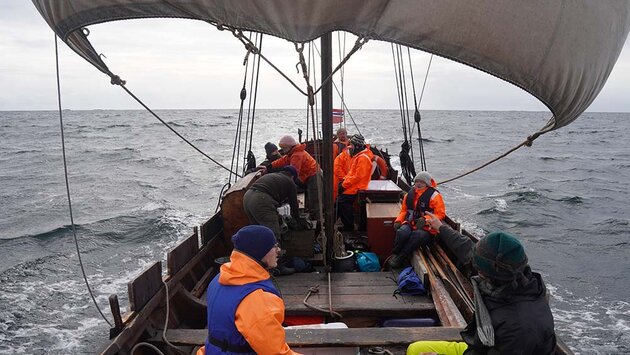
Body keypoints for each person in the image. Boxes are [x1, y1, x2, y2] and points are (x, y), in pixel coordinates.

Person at [406, 214, 557, 355]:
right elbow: (466, 249)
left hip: (491, 349)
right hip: (481, 345)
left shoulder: (517, 328)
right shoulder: (519, 281)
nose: (477, 272)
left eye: (480, 270)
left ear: (491, 274)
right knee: (415, 348)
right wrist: (441, 227)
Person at [202, 225, 301, 355]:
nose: (279, 250)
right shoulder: (258, 299)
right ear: (260, 251)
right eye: (274, 246)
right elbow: (275, 353)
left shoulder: (219, 278)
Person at [388, 171, 445, 268]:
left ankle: (401, 258)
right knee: (402, 232)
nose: (418, 184)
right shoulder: (409, 195)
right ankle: (395, 253)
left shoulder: (434, 196)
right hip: (411, 223)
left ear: (427, 183)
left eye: (421, 182)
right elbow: (404, 211)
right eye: (417, 181)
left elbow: (440, 214)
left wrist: (425, 219)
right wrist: (398, 221)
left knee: (416, 236)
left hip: (427, 228)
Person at [243, 166, 305, 241]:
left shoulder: (274, 176)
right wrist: (297, 219)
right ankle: (276, 251)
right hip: (261, 199)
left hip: (247, 197)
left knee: (258, 231)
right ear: (292, 176)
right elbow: (294, 204)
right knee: (273, 233)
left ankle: (259, 251)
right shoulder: (290, 182)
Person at [271, 135, 322, 220]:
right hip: (306, 175)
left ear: (290, 147)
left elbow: (293, 172)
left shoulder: (297, 155)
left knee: (314, 199)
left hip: (313, 175)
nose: (283, 151)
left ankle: (316, 220)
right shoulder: (292, 153)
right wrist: (271, 166)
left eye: (284, 148)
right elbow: (283, 160)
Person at [336, 134, 373, 231]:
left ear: (357, 146)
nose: (350, 148)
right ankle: (335, 223)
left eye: (351, 146)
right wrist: (344, 181)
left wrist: (343, 185)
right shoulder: (358, 157)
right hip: (354, 185)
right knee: (339, 201)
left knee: (342, 202)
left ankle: (349, 227)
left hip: (358, 187)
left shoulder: (363, 158)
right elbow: (351, 174)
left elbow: (357, 176)